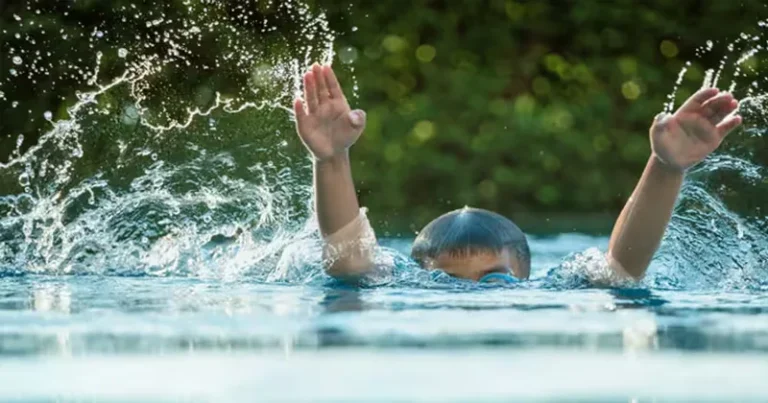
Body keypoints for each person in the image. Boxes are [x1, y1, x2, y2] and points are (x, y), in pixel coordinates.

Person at [292, 63, 742, 284]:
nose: (472, 303)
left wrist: (666, 168)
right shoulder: (396, 292)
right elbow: (350, 263)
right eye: (447, 285)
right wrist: (331, 159)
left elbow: (621, 271)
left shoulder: (554, 292)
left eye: (493, 280)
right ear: (421, 277)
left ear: (525, 278)